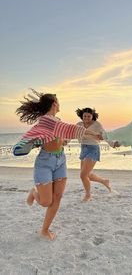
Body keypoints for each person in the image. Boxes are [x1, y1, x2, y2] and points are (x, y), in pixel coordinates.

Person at [13, 89, 99, 240]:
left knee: (57, 197)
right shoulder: (46, 120)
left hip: (60, 160)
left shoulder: (56, 121)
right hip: (45, 162)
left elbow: (62, 137)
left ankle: (45, 230)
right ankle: (34, 192)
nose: (60, 105)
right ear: (54, 104)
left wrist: (62, 141)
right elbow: (72, 129)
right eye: (58, 102)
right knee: (46, 201)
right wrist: (96, 134)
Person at [76, 107, 115, 202]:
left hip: (93, 149)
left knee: (83, 175)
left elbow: (104, 135)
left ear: (92, 116)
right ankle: (104, 181)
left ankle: (88, 195)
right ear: (82, 116)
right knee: (86, 175)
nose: (86, 118)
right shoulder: (79, 124)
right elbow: (72, 133)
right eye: (85, 116)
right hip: (83, 148)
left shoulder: (97, 124)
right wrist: (64, 141)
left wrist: (112, 143)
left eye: (89, 116)